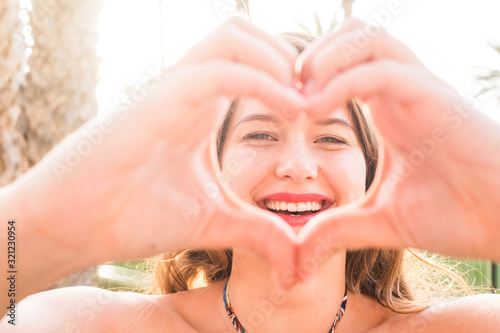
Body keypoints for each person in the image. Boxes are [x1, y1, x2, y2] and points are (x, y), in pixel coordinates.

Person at [0, 17, 499, 332]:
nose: (297, 166)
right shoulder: (89, 325)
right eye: (260, 135)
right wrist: (50, 227)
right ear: (212, 167)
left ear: (372, 171)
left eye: (331, 138)